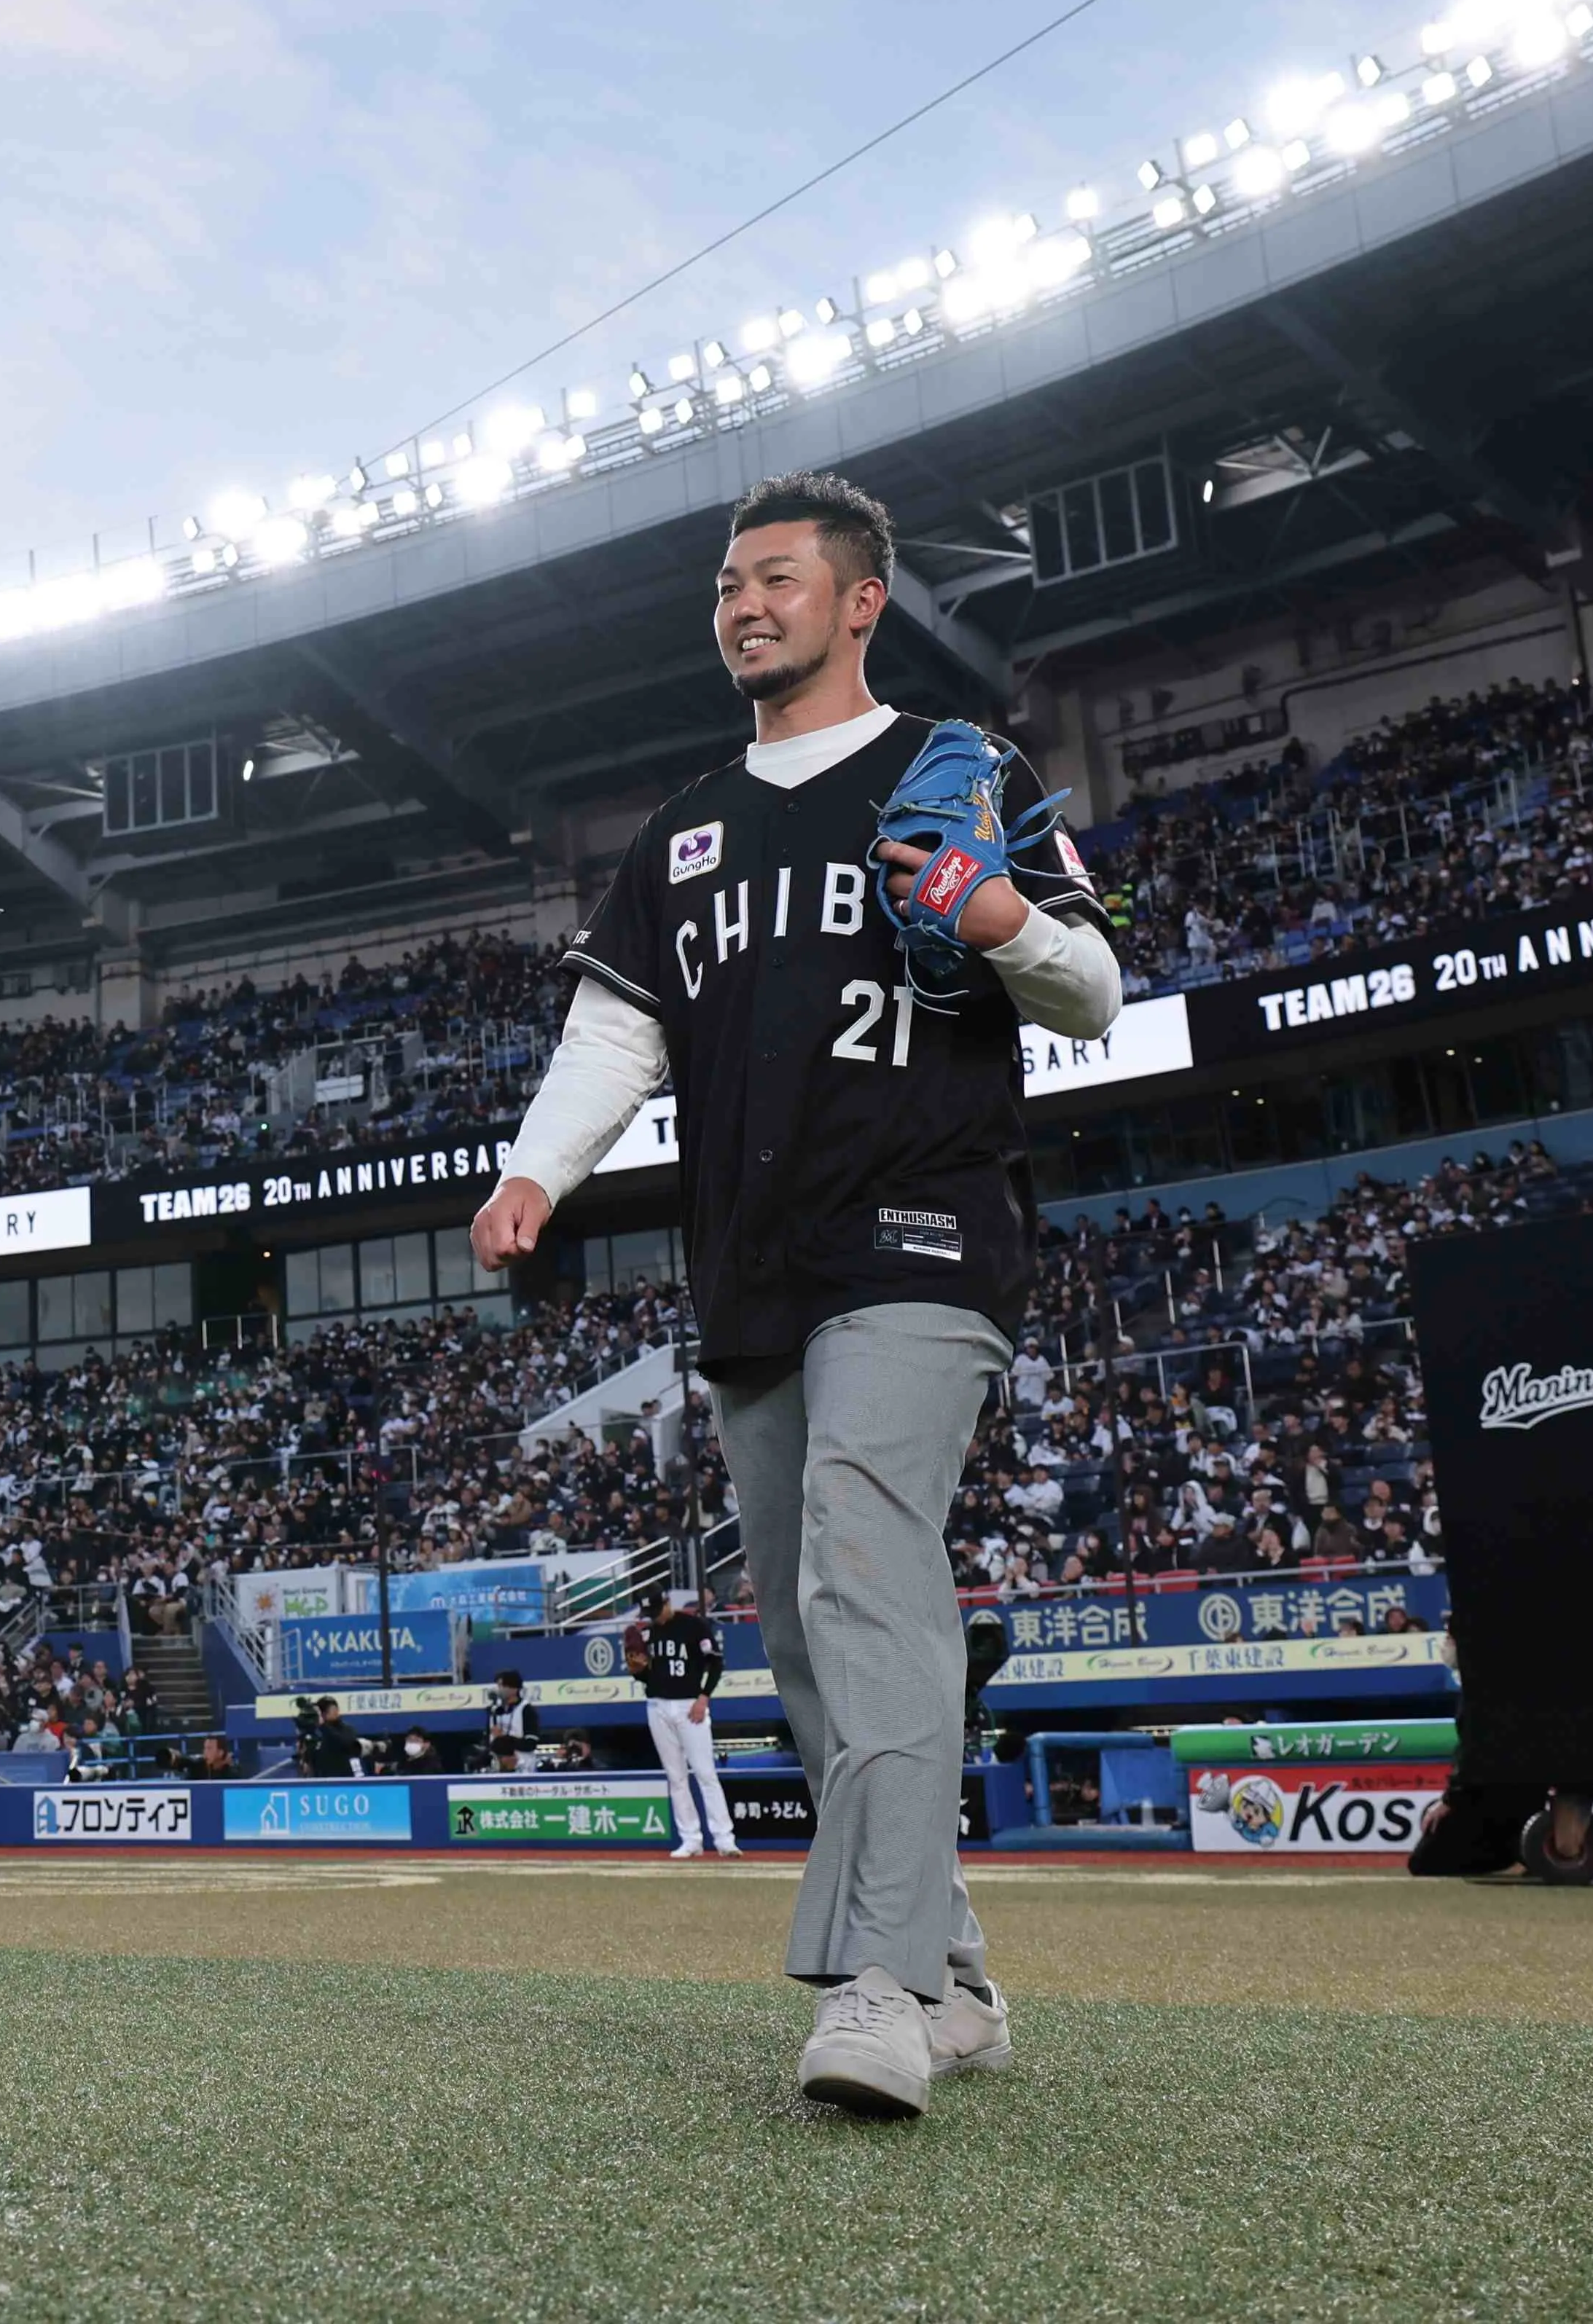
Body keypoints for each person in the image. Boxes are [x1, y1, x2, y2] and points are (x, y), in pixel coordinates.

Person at [474, 475, 1119, 2121]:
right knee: (810, 1639)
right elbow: (618, 1035)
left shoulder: (956, 770)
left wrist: (997, 917)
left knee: (861, 1549)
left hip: (923, 1225)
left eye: (774, 577)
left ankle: (883, 1984)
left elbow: (1096, 990)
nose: (741, 604)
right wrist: (540, 1169)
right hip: (750, 1260)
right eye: (723, 585)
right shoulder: (685, 826)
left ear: (858, 603)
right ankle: (960, 1972)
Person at [633, 1593, 737, 1861]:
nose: (655, 1616)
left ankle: (724, 1839)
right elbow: (647, 1675)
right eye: (650, 1613)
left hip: (689, 1703)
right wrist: (637, 1670)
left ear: (667, 1602)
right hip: (657, 1705)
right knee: (676, 1776)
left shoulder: (693, 1626)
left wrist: (704, 1697)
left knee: (705, 1772)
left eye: (657, 1610)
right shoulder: (648, 1633)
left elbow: (716, 1662)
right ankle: (691, 1839)